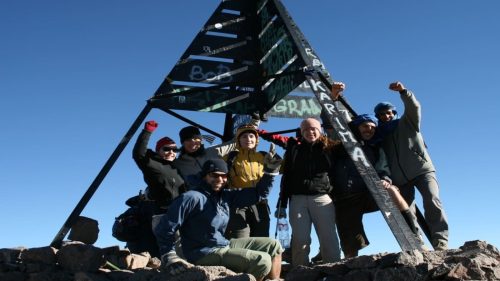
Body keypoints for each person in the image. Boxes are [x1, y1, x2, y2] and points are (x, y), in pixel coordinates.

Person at [152, 156, 283, 281]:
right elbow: (165, 227)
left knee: (274, 245)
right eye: (214, 175)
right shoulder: (191, 197)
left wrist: (270, 172)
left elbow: (258, 194)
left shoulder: (225, 196)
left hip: (222, 244)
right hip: (201, 253)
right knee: (262, 260)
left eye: (224, 176)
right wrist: (169, 255)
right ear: (205, 176)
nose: (220, 179)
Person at [331, 114, 420, 258]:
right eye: (365, 126)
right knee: (351, 245)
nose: (370, 129)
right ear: (357, 127)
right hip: (345, 197)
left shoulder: (375, 147)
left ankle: (415, 236)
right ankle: (350, 268)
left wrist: (384, 178)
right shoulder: (340, 145)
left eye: (373, 127)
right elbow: (330, 121)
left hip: (368, 193)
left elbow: (383, 167)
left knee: (392, 190)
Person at [374, 81, 449, 250]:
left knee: (432, 200)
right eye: (381, 115)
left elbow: (414, 107)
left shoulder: (408, 122)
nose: (385, 116)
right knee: (406, 210)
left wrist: (403, 92)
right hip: (400, 178)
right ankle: (417, 243)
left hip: (422, 170)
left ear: (394, 113)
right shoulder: (380, 135)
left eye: (388, 113)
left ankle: (441, 242)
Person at [276, 118, 341, 266]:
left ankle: (335, 271)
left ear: (320, 130)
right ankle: (300, 273)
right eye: (305, 130)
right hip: (297, 199)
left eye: (313, 129)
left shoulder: (330, 147)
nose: (310, 132)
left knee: (328, 237)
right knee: (300, 239)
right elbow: (287, 177)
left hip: (322, 197)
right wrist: (282, 202)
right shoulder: (295, 149)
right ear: (301, 132)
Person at [128, 120, 186, 257]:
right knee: (170, 251)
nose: (171, 152)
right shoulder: (152, 164)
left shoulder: (178, 167)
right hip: (163, 214)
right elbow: (138, 154)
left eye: (174, 149)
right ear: (158, 151)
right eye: (166, 149)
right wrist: (147, 132)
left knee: (182, 250)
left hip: (182, 214)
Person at [224, 124, 271, 239]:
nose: (248, 139)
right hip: (238, 204)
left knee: (261, 241)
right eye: (244, 136)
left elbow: (286, 168)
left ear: (256, 139)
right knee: (240, 240)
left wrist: (277, 160)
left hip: (261, 204)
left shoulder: (264, 156)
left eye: (251, 136)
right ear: (238, 140)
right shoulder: (230, 157)